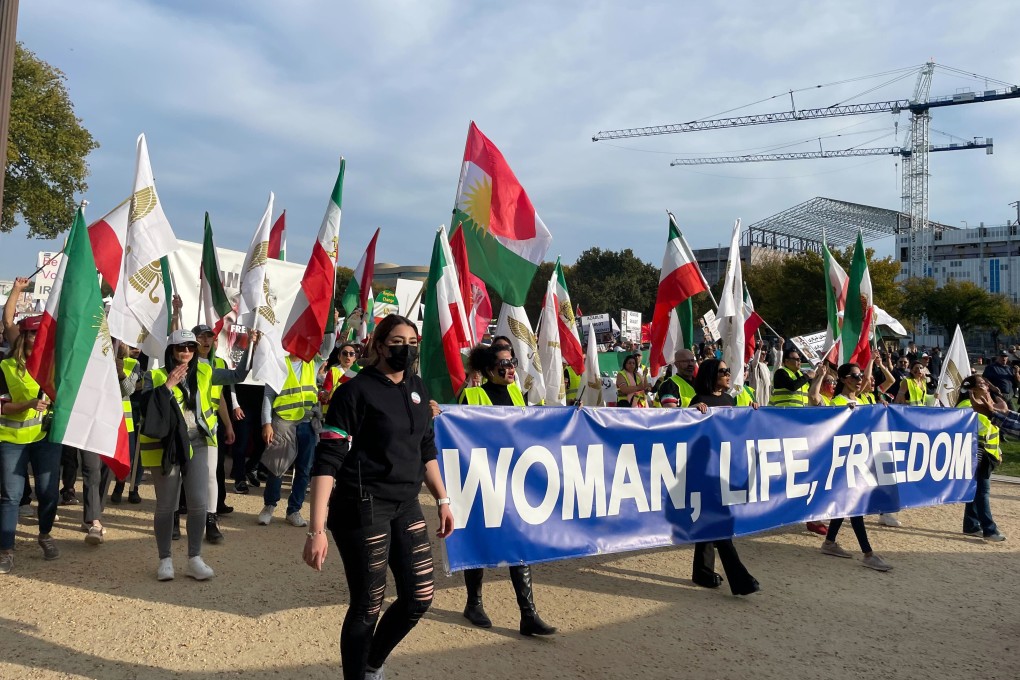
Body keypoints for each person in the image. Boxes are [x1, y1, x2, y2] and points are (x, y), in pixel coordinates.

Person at [303, 314, 454, 680]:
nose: (406, 348)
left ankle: (372, 663)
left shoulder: (416, 388)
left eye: (412, 341)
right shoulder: (354, 392)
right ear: (379, 346)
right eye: (398, 342)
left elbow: (426, 449)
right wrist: (316, 530)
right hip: (361, 506)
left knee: (420, 595)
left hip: (406, 504)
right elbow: (327, 461)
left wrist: (443, 500)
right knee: (368, 604)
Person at [138, 329, 253, 582]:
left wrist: (251, 345)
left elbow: (238, 375)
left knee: (199, 503)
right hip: (166, 446)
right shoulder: (154, 375)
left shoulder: (205, 370)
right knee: (166, 506)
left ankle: (194, 559)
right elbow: (144, 407)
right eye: (181, 348)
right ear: (171, 350)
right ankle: (165, 559)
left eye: (190, 347)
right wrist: (167, 386)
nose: (187, 352)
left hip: (199, 443)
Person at [458, 343, 557, 635]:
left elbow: (532, 427)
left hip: (513, 479)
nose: (511, 367)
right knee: (479, 540)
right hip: (480, 480)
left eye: (513, 362)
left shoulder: (516, 393)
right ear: (490, 369)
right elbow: (458, 435)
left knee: (520, 543)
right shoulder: (472, 395)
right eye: (505, 363)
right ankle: (473, 603)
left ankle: (528, 614)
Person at [688, 359, 760, 596]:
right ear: (711, 375)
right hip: (703, 473)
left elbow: (735, 432)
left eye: (729, 370)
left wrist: (751, 413)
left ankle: (703, 572)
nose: (728, 374)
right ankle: (741, 580)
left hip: (723, 471)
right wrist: (692, 414)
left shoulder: (728, 400)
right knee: (719, 525)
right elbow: (687, 433)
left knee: (710, 524)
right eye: (723, 371)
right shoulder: (698, 401)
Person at [0, 315, 61, 573]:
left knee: (48, 492)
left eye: (41, 336)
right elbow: (3, 406)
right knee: (11, 497)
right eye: (33, 335)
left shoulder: (53, 366)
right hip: (12, 441)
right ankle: (6, 551)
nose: (37, 340)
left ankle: (45, 535)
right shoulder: (5, 367)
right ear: (24, 337)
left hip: (45, 439)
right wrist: (28, 404)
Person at [819, 363, 893, 572]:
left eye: (860, 375)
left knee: (846, 505)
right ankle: (868, 554)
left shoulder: (859, 401)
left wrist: (880, 411)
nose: (860, 378)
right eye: (854, 375)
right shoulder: (838, 402)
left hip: (858, 461)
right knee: (855, 506)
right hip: (843, 463)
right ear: (843, 379)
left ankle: (829, 542)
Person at [257, 352, 317, 527]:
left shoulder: (313, 361)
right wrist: (266, 423)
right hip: (283, 421)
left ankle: (294, 510)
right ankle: (269, 506)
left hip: (307, 423)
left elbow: (328, 345)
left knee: (304, 469)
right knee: (277, 467)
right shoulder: (278, 364)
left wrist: (333, 323)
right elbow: (268, 395)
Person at [956, 376, 1005, 541]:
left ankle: (971, 525)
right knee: (983, 491)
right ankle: (989, 529)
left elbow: (993, 425)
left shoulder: (983, 404)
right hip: (976, 452)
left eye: (985, 383)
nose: (986, 386)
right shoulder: (967, 406)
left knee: (977, 490)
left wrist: (997, 449)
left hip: (988, 453)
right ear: (972, 390)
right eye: (982, 384)